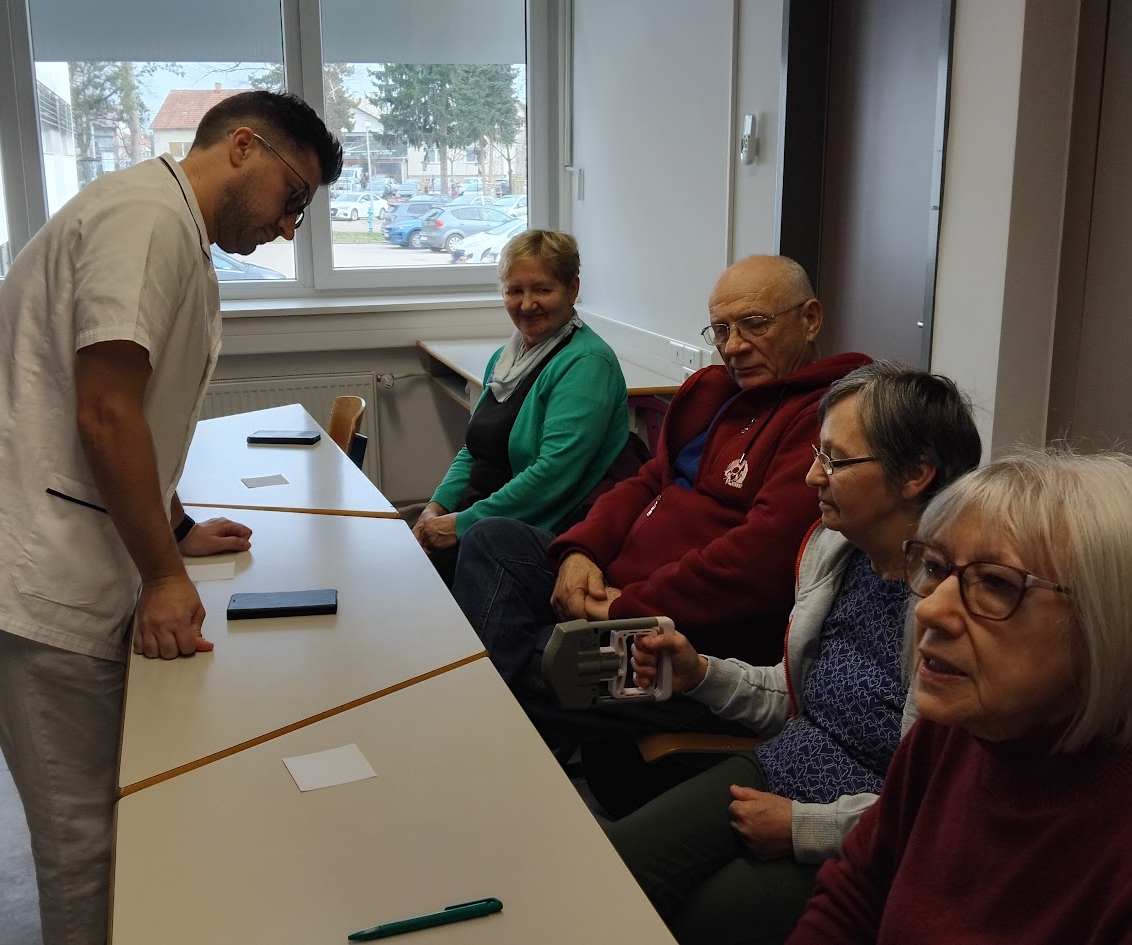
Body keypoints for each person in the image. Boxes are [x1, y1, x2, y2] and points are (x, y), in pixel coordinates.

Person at [0, 91, 342, 945]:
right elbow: (104, 411)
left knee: (117, 812)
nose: (290, 227)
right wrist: (164, 575)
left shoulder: (171, 228)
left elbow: (145, 414)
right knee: (87, 840)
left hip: (56, 549)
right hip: (28, 573)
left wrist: (176, 528)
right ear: (243, 146)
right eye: (294, 198)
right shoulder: (146, 219)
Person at [788, 449, 1132, 945]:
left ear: (1115, 637)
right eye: (936, 568)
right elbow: (854, 898)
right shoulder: (946, 738)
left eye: (996, 583)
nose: (931, 611)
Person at [607, 363, 981, 945]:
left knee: (702, 921)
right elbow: (795, 696)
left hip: (871, 827)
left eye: (835, 460)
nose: (812, 476)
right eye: (817, 454)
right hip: (782, 765)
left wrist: (804, 827)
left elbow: (940, 802)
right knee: (612, 871)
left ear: (915, 474)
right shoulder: (837, 552)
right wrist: (700, 673)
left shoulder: (956, 611)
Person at [453, 255, 871, 747]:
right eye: (721, 330)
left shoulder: (828, 421)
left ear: (810, 319)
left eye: (755, 324)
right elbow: (645, 481)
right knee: (491, 541)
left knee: (534, 656)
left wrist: (628, 607)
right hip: (616, 590)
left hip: (682, 640)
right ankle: (489, 732)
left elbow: (758, 563)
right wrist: (579, 552)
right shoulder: (716, 395)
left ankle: (476, 738)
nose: (734, 346)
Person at [411, 230, 631, 584]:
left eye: (542, 290)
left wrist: (461, 524)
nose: (527, 304)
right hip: (482, 517)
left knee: (410, 581)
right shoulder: (507, 358)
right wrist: (436, 507)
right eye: (515, 291)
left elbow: (552, 476)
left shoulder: (587, 363)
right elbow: (475, 450)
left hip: (533, 532)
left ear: (572, 289)